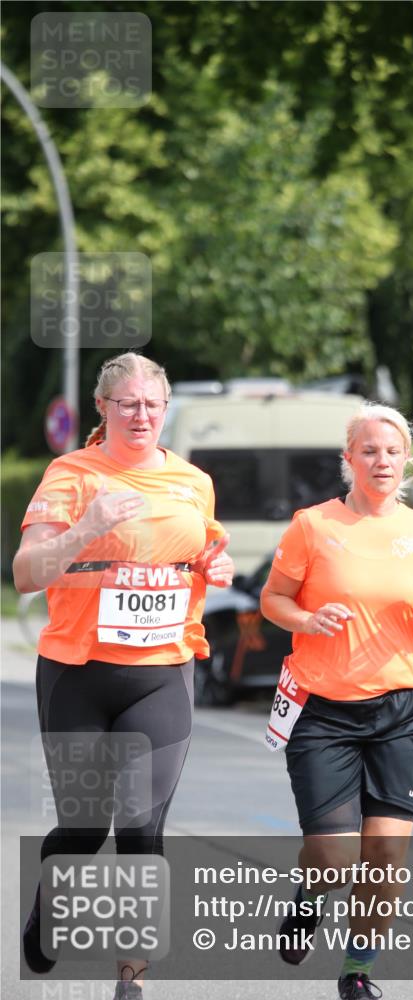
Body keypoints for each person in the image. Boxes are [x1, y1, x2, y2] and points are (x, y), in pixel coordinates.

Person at [13, 353, 234, 1000]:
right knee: (85, 826)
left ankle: (130, 978)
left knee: (141, 828)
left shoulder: (193, 481)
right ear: (103, 408)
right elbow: (27, 573)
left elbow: (204, 552)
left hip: (162, 674)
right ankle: (49, 911)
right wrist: (88, 526)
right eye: (128, 404)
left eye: (152, 405)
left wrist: (211, 570)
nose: (141, 415)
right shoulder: (71, 474)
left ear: (166, 410)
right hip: (78, 673)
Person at [260, 402, 413, 1000]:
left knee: (383, 854)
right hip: (323, 711)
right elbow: (274, 600)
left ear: (407, 460)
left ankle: (357, 972)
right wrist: (306, 615)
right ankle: (308, 898)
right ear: (349, 459)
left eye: (393, 450)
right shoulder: (313, 525)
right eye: (369, 450)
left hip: (402, 711)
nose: (382, 460)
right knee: (332, 857)